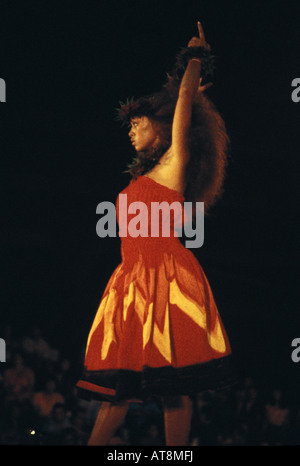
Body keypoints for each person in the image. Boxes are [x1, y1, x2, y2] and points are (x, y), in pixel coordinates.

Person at [76, 20, 236, 446]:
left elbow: (182, 100)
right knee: (119, 387)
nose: (130, 130)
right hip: (130, 282)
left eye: (137, 123)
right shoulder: (140, 178)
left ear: (162, 127)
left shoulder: (173, 166)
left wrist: (195, 59)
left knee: (172, 387)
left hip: (166, 276)